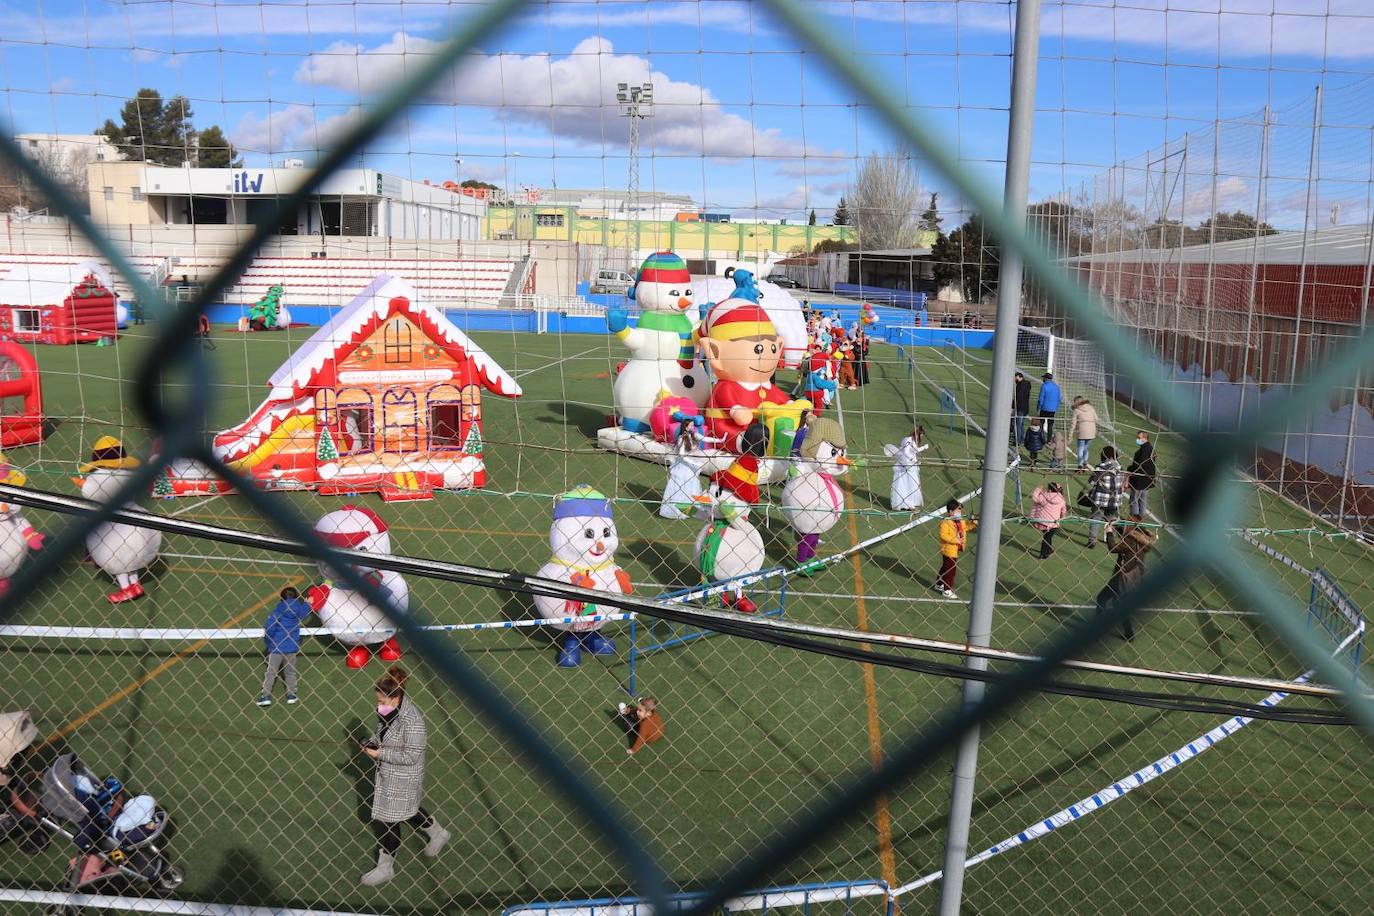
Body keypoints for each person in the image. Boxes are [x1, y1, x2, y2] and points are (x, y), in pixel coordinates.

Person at [359, 667, 450, 887]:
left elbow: (411, 756)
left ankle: (385, 867)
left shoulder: (413, 722)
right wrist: (371, 742)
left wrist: (380, 753)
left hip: (404, 776)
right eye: (379, 701)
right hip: (389, 774)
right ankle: (438, 833)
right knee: (408, 810)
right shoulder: (388, 708)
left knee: (389, 821)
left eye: (384, 701)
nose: (381, 706)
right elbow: (381, 731)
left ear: (397, 697)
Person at [1097, 515, 1159, 640]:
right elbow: (1124, 531)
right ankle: (1128, 633)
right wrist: (1113, 523)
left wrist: (1109, 532)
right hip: (1134, 578)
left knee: (1103, 599)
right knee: (1118, 605)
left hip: (1122, 577)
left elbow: (1113, 547)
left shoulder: (1129, 541)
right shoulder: (1143, 542)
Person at [257, 586, 311, 707]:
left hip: (276, 647)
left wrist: (268, 642)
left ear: (282, 598)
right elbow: (304, 611)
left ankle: (265, 696)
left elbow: (269, 628)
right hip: (291, 647)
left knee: (271, 673)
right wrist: (308, 603)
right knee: (290, 672)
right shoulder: (298, 609)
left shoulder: (278, 611)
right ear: (296, 597)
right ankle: (291, 695)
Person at [935, 499, 977, 600]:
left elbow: (965, 528)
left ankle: (939, 583)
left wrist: (973, 523)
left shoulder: (960, 521)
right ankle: (947, 590)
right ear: (950, 512)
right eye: (957, 510)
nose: (960, 512)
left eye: (960, 510)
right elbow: (943, 535)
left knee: (946, 567)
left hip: (955, 549)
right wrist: (956, 540)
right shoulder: (945, 522)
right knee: (950, 570)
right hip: (948, 549)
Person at [1086, 446, 1124, 548]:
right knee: (1111, 519)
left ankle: (1092, 540)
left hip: (1101, 499)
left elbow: (1092, 482)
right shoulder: (1120, 468)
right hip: (1114, 499)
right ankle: (1110, 537)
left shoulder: (1100, 468)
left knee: (1096, 518)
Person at [1029, 482, 1069, 559]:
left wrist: (1038, 489)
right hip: (1054, 523)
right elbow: (1063, 510)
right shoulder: (1061, 500)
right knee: (1047, 537)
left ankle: (1048, 551)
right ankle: (1043, 554)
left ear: (1050, 490)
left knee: (1047, 537)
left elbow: (1035, 498)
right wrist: (1062, 517)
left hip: (1043, 522)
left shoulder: (1044, 497)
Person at [1127, 431, 1157, 518]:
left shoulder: (1143, 450)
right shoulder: (1151, 449)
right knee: (1143, 501)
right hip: (1147, 480)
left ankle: (1134, 519)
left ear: (1145, 438)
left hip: (1139, 480)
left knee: (1134, 500)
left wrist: (1130, 470)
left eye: (1139, 438)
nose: (1137, 440)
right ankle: (1140, 519)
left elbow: (1139, 465)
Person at [1068, 396, 1099, 470]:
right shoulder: (1091, 408)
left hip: (1082, 431)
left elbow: (1073, 423)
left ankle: (1080, 465)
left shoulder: (1076, 410)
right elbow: (1097, 419)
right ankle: (1085, 462)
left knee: (1080, 448)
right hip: (1091, 431)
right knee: (1086, 448)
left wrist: (1070, 435)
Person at [1037, 371, 1061, 437]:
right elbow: (1059, 399)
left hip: (1044, 408)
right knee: (1050, 425)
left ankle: (1041, 437)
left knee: (1041, 423)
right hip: (1053, 410)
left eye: (1043, 378)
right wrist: (1056, 408)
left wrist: (1038, 408)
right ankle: (1049, 440)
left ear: (1046, 378)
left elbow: (1041, 398)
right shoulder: (1057, 387)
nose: (1043, 379)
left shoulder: (1044, 386)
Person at [1011, 371, 1031, 448]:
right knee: (1021, 424)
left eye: (1016, 378)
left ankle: (1018, 441)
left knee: (1018, 424)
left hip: (1020, 407)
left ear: (1019, 377)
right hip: (1026, 407)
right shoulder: (1027, 384)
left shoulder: (1020, 385)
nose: (1015, 380)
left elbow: (1018, 397)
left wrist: (1013, 406)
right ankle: (1021, 439)